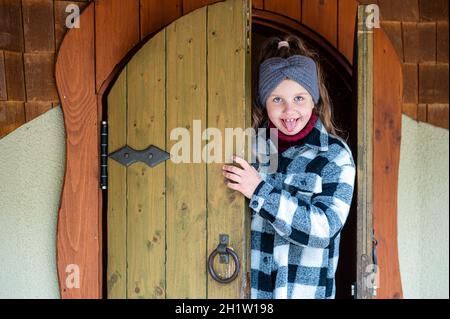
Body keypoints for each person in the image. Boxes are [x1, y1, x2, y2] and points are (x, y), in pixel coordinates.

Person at [221, 35, 356, 299]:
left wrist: (259, 191)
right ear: (264, 103)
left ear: (314, 99)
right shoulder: (248, 148)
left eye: (298, 98)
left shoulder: (335, 157)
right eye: (277, 100)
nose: (289, 110)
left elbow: (324, 229)